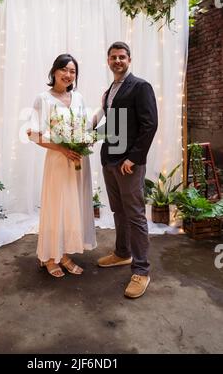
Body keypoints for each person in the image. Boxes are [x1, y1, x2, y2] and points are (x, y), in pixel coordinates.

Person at [97, 41, 158, 298]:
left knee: (134, 215)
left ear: (129, 60)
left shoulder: (141, 86)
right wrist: (86, 135)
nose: (117, 61)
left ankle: (141, 271)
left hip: (128, 164)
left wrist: (133, 158)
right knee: (118, 211)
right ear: (108, 61)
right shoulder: (110, 90)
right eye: (113, 57)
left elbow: (150, 125)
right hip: (110, 160)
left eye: (122, 57)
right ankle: (122, 253)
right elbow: (113, 125)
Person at [28, 54, 97, 278]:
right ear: (54, 71)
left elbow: (85, 128)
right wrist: (62, 148)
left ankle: (65, 254)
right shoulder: (43, 99)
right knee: (56, 207)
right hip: (58, 162)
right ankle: (48, 257)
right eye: (64, 70)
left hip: (78, 161)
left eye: (73, 71)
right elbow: (33, 134)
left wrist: (86, 140)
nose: (68, 75)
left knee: (72, 208)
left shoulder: (78, 98)